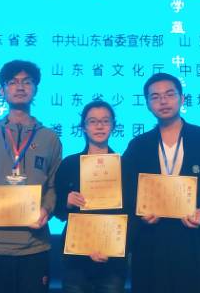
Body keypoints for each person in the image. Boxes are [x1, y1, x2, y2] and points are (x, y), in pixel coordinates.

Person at [122, 72, 200, 293]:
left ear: (182, 99)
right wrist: (140, 213)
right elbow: (126, 191)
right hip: (153, 243)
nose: (163, 101)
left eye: (169, 94)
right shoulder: (138, 145)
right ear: (147, 103)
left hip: (197, 242)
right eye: (155, 97)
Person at [0, 60, 63, 293]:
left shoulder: (49, 138)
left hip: (34, 246)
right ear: (2, 90)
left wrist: (46, 209)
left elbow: (53, 186)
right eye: (13, 82)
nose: (20, 87)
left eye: (27, 82)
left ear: (35, 89)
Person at [54, 100, 127, 293]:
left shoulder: (124, 165)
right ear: (84, 127)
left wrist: (112, 247)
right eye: (93, 121)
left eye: (105, 121)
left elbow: (130, 210)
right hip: (76, 257)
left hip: (112, 257)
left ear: (113, 126)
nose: (99, 126)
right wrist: (66, 202)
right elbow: (57, 210)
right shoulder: (69, 164)